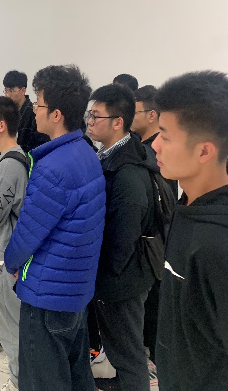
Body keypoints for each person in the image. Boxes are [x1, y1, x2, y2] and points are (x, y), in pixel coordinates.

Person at [4, 65, 106, 391]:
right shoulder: (85, 152)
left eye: (39, 104)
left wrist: (9, 262)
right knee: (76, 376)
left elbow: (28, 234)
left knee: (43, 381)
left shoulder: (53, 167)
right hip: (75, 289)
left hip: (47, 295)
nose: (34, 110)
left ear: (57, 114)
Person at [153, 71, 228, 391]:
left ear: (204, 151)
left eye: (165, 136)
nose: (155, 145)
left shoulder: (217, 243)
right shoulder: (186, 206)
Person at [87, 84, 157, 391]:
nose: (89, 121)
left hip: (123, 280)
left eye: (96, 116)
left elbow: (123, 239)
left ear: (118, 122)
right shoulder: (112, 156)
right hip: (121, 277)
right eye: (89, 114)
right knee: (120, 347)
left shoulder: (127, 172)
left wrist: (106, 278)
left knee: (128, 354)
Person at [0, 96, 29, 391]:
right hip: (6, 249)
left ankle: (18, 379)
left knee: (11, 322)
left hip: (4, 253)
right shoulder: (12, 157)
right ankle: (18, 370)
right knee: (9, 317)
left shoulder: (10, 164)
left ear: (1, 125)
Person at [131, 84, 177, 366]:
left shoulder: (154, 154)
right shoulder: (142, 147)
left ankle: (154, 363)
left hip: (156, 240)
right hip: (153, 240)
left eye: (134, 112)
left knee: (154, 307)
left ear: (151, 115)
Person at [3, 70, 50, 153]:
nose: (8, 95)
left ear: (23, 90)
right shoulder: (7, 113)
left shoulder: (33, 114)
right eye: (6, 90)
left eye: (11, 90)